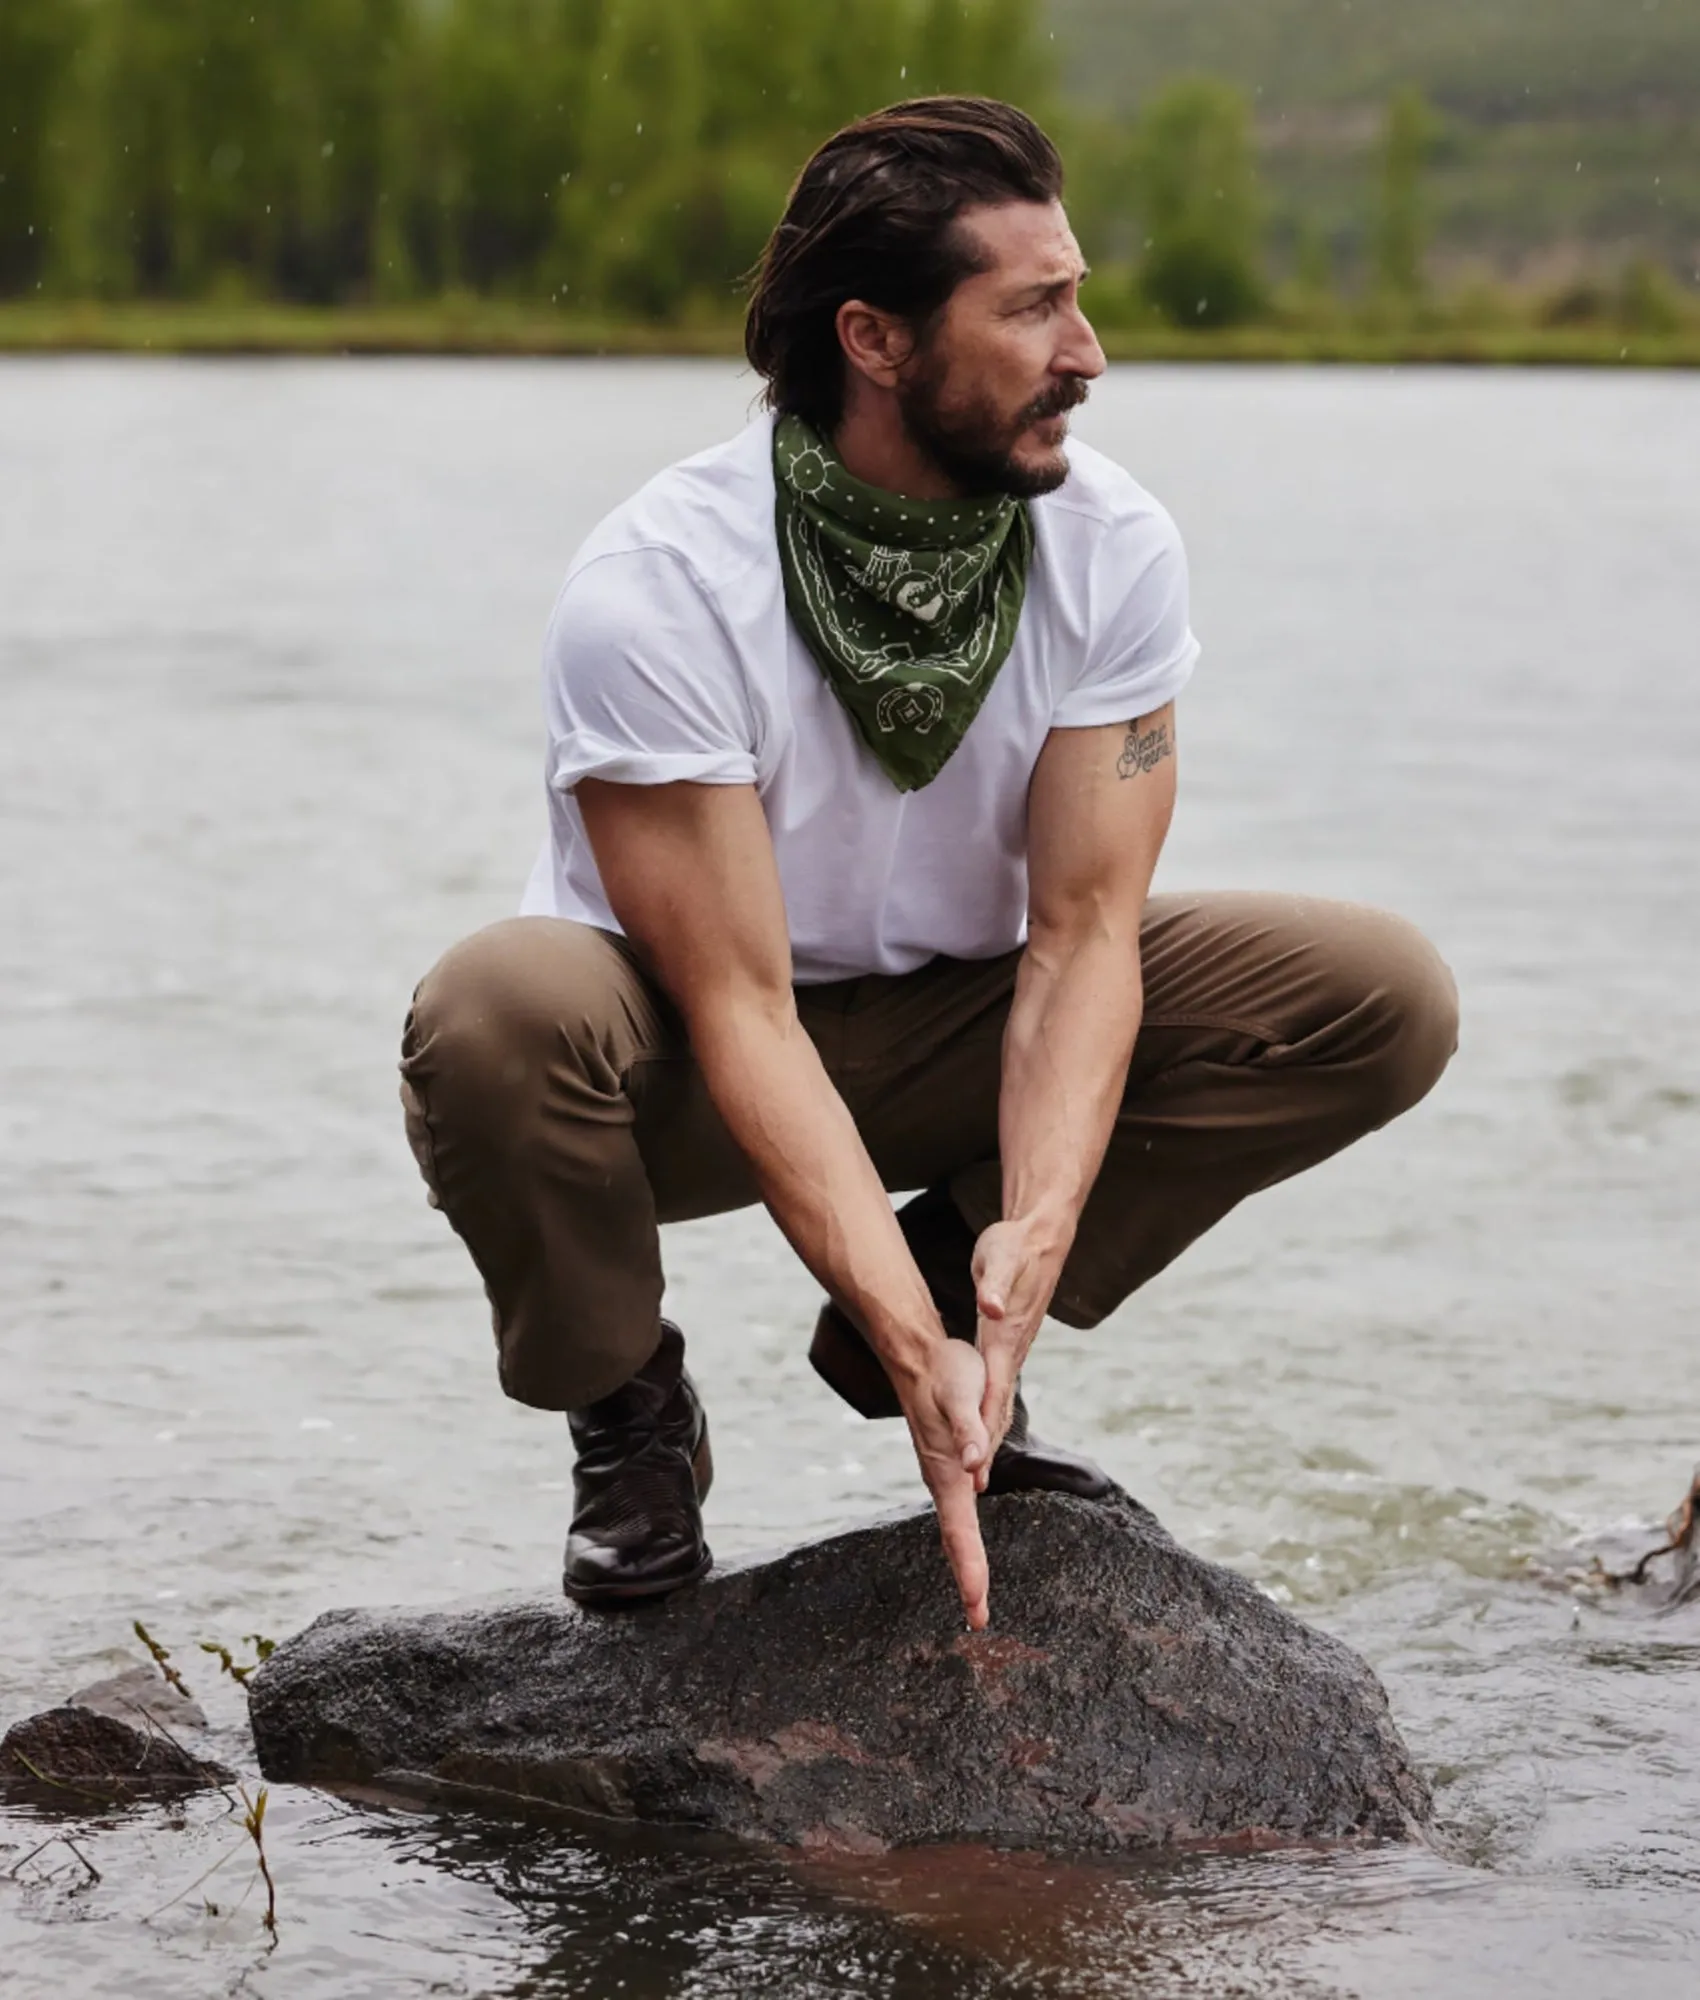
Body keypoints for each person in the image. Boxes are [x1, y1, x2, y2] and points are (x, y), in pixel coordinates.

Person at [399, 96, 1458, 1632]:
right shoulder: (663, 586)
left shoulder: (1114, 546)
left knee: (1377, 994)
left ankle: (934, 1299)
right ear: (876, 341)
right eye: (1032, 310)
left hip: (955, 1021)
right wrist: (913, 1340)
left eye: (1075, 296)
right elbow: (745, 1008)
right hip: (679, 1063)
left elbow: (1085, 939)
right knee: (493, 1007)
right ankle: (630, 1408)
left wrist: (1002, 1286)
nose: (1086, 353)